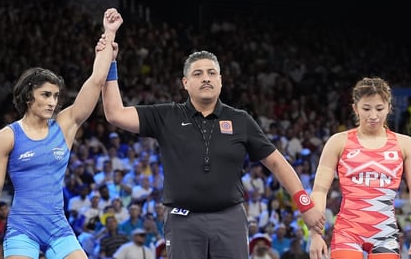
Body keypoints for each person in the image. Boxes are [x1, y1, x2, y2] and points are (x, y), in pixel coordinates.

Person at [101, 48, 325, 258]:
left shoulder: (240, 120)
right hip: (182, 220)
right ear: (185, 83)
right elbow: (114, 114)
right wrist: (110, 62)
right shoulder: (167, 115)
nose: (206, 78)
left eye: (211, 73)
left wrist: (305, 205)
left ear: (221, 80)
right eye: (198, 74)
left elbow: (277, 162)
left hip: (230, 219)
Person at [0, 8, 123, 259]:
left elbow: (96, 80)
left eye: (56, 96)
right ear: (28, 97)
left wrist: (109, 34)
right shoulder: (8, 136)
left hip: (58, 228)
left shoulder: (65, 125)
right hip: (23, 228)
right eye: (46, 94)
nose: (52, 102)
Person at [309, 77, 411, 259]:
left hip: (385, 233)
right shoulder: (338, 142)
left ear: (389, 107)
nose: (373, 115)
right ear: (355, 108)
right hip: (347, 231)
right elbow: (319, 191)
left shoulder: (405, 144)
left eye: (379, 109)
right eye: (366, 108)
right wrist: (315, 235)